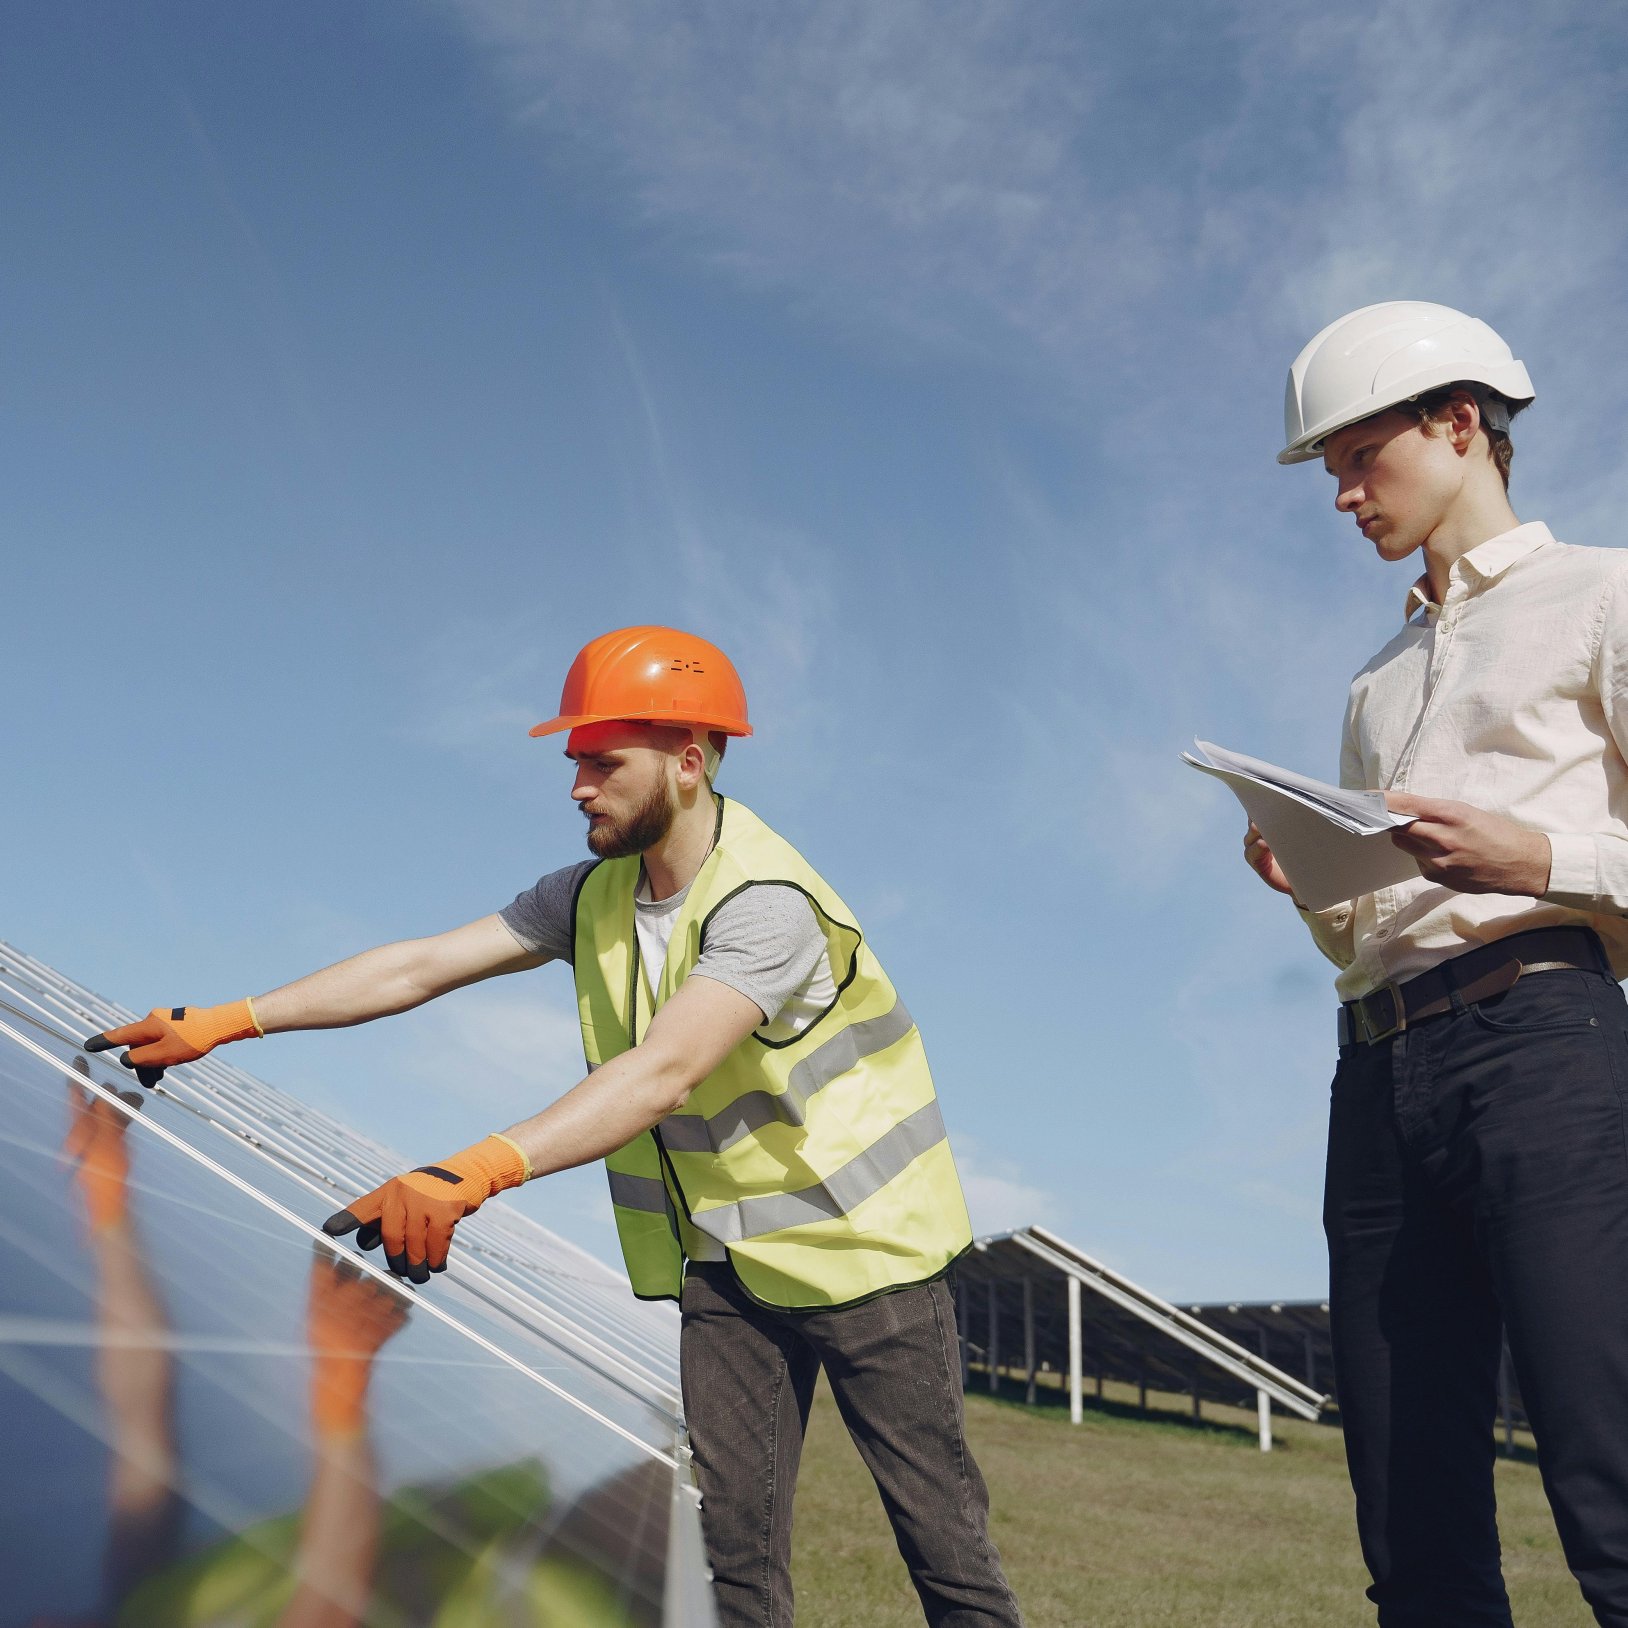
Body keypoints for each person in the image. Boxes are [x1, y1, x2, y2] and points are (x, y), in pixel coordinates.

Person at [85, 625, 1023, 1628]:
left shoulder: (768, 907)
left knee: (943, 1548)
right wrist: (231, 1019)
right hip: (725, 1264)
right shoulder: (587, 895)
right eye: (574, 761)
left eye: (602, 762)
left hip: (865, 1258)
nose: (577, 786)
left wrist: (475, 1170)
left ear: (688, 762)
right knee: (730, 1565)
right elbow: (420, 966)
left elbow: (662, 1073)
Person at [1248, 300, 1628, 1626]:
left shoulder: (1605, 594)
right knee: (1408, 1515)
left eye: (1360, 458)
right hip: (1377, 1074)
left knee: (1605, 1464)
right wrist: (1313, 888)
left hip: (1546, 1048)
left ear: (1460, 424)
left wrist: (1540, 857)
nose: (1342, 494)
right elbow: (1372, 928)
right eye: (1332, 469)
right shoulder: (1375, 683)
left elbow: (1546, 864)